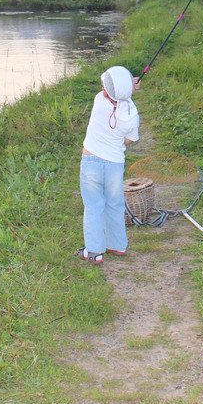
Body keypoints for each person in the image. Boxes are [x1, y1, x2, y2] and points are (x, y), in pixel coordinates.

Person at [76, 65, 140, 264]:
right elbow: (130, 140)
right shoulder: (132, 113)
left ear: (106, 90)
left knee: (94, 205)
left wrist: (128, 88)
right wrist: (129, 91)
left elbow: (113, 94)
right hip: (115, 165)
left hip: (91, 162)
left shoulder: (99, 100)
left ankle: (94, 251)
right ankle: (118, 245)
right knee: (115, 204)